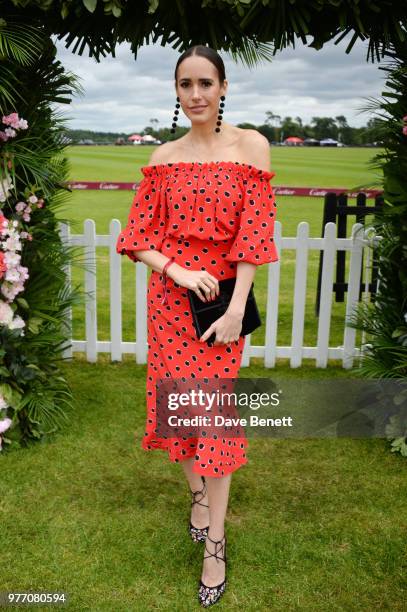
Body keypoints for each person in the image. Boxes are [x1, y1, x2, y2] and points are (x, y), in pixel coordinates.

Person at [116, 44, 279, 608]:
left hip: (220, 310)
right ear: (176, 91)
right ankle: (198, 498)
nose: (195, 95)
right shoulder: (163, 157)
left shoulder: (251, 146)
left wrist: (238, 309)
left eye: (205, 83)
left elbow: (255, 236)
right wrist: (179, 271)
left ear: (224, 86)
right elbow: (136, 238)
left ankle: (216, 542)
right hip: (171, 301)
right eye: (185, 85)